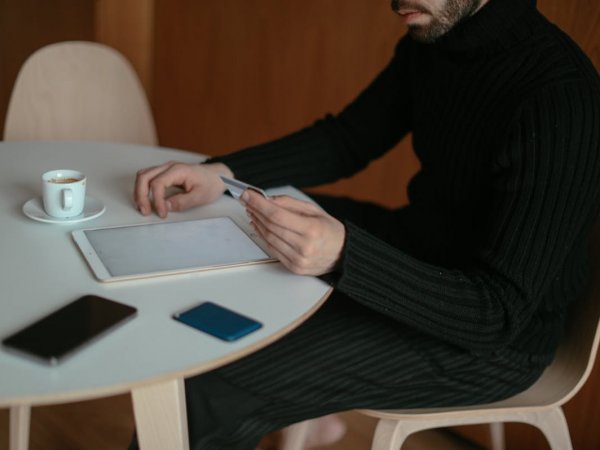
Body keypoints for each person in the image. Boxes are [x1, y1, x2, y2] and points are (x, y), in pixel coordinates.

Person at [131, 0, 600, 448]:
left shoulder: (561, 99)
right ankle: (307, 410)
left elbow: (497, 313)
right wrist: (224, 174)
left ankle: (277, 398)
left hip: (494, 341)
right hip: (419, 250)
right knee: (239, 221)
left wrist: (344, 254)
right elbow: (349, 139)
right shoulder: (434, 36)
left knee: (209, 385)